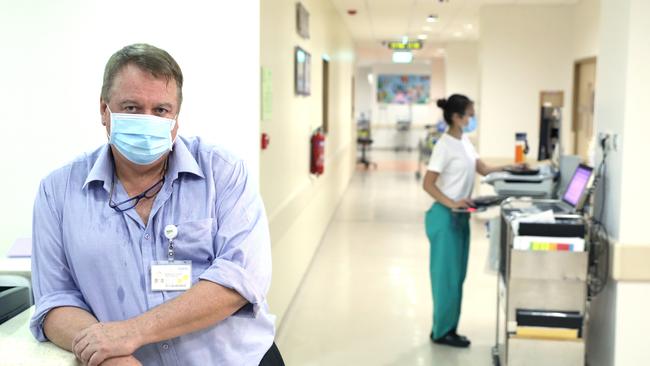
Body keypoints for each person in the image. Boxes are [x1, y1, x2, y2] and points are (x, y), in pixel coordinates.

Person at [30, 43, 284, 366]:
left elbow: (240, 279)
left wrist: (130, 333)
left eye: (161, 110)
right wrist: (107, 354)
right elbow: (54, 301)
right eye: (132, 108)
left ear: (176, 119)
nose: (147, 120)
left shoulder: (223, 173)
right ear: (104, 110)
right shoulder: (58, 193)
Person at [422, 94, 516, 348]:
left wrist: (511, 168)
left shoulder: (463, 141)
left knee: (457, 277)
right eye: (470, 114)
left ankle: (447, 328)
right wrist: (451, 202)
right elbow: (427, 184)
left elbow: (483, 169)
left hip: (460, 217)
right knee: (446, 278)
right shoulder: (444, 146)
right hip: (444, 218)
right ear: (456, 116)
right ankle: (441, 332)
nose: (473, 119)